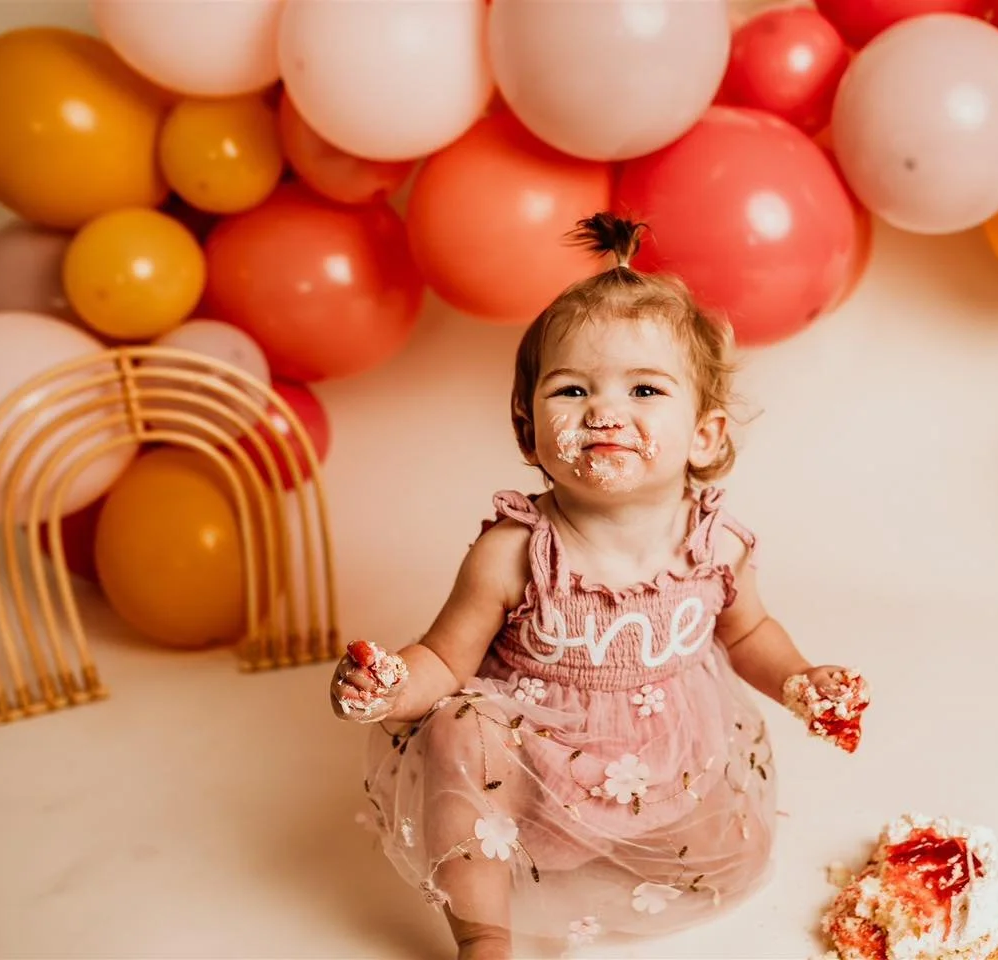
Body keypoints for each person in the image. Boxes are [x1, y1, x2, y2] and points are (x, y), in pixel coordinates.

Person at [330, 212, 865, 958]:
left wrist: (803, 678)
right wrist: (389, 686)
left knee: (729, 853)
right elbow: (446, 661)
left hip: (668, 755)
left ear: (704, 435)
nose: (605, 411)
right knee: (463, 731)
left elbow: (748, 633)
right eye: (573, 390)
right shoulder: (513, 550)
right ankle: (483, 936)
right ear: (529, 430)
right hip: (534, 758)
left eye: (645, 391)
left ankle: (644, 840)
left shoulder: (714, 547)